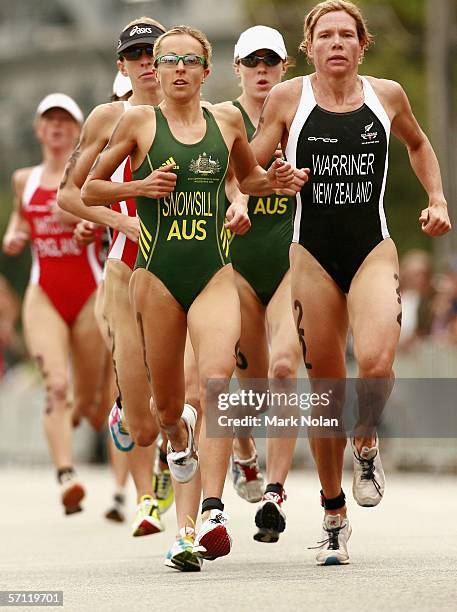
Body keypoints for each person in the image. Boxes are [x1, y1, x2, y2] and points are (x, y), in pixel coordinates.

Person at [81, 24, 307, 562]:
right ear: (155, 74)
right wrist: (139, 187)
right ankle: (177, 448)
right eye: (169, 60)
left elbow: (246, 179)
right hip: (157, 278)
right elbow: (90, 188)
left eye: (189, 60)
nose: (179, 68)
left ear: (206, 72)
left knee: (214, 383)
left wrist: (274, 182)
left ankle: (210, 510)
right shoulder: (138, 121)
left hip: (214, 271)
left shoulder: (226, 120)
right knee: (166, 410)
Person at [248, 0, 451, 565]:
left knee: (379, 362)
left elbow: (417, 144)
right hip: (310, 254)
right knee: (326, 389)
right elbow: (250, 170)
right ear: (308, 47)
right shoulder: (290, 99)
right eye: (325, 35)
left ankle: (366, 438)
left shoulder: (387, 96)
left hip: (371, 248)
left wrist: (436, 198)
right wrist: (269, 182)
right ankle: (333, 513)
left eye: (346, 35)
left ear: (362, 45)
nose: (336, 43)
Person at [58, 18, 202, 571]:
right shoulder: (110, 117)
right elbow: (71, 194)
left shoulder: (197, 116)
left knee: (191, 390)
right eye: (136, 55)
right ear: (123, 66)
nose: (148, 62)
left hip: (189, 270)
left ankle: (194, 516)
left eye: (156, 53)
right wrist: (119, 224)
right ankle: (129, 414)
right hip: (126, 270)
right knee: (143, 426)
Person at [2, 93, 111, 515]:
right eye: (49, 120)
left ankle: (88, 419)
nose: (57, 127)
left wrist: (90, 221)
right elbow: (19, 215)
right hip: (43, 292)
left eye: (66, 120)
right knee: (56, 386)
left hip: (89, 293)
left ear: (79, 130)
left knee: (87, 400)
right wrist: (15, 234)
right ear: (38, 129)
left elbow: (108, 214)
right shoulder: (22, 179)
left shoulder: (89, 177)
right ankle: (66, 474)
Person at [222, 26, 301, 543]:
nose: (263, 70)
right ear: (237, 69)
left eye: (271, 61)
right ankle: (243, 451)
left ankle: (274, 492)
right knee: (249, 392)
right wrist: (239, 202)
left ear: (285, 67)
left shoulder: (302, 117)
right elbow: (228, 177)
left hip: (292, 262)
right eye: (253, 62)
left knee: (283, 366)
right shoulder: (222, 118)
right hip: (239, 266)